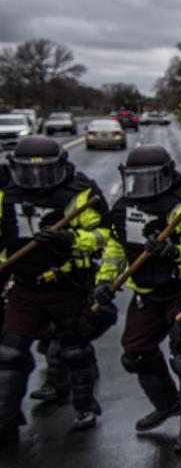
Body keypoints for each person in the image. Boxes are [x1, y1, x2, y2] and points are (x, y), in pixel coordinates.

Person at [92, 145, 181, 452]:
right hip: (145, 293)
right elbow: (117, 249)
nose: (144, 187)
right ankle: (167, 403)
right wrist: (104, 282)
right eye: (137, 179)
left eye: (151, 179)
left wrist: (175, 252)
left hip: (180, 289)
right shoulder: (123, 208)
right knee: (135, 353)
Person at [0, 136, 109, 440]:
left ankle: (85, 406)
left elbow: (103, 234)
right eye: (29, 172)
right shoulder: (6, 196)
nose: (37, 179)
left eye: (45, 171)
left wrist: (71, 241)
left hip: (65, 282)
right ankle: (5, 417)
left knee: (74, 349)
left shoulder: (79, 193)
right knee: (9, 353)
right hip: (24, 286)